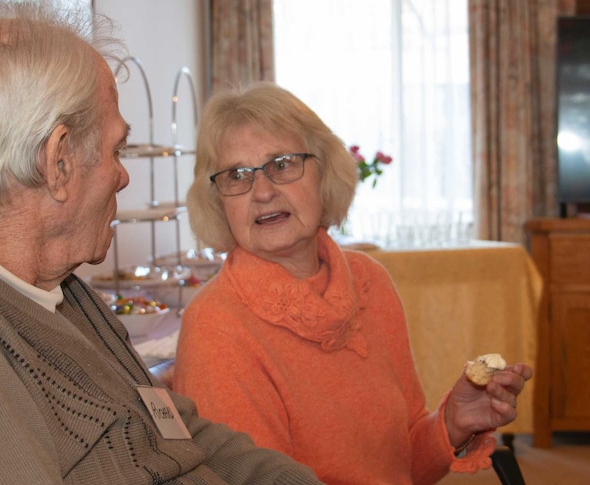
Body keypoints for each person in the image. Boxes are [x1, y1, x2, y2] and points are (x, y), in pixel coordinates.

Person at [0, 3, 325, 484]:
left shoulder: (52, 289)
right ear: (58, 161)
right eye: (116, 149)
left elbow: (178, 433)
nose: (123, 176)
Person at [172, 83, 533, 485]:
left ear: (324, 172)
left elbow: (404, 463)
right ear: (218, 201)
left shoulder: (368, 281)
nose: (262, 191)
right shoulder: (217, 327)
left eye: (282, 164)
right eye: (237, 175)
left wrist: (452, 423)